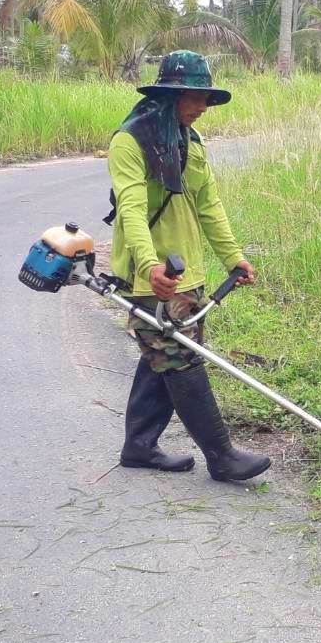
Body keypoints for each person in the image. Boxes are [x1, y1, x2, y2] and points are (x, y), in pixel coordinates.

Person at [107, 50, 270, 483]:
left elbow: (208, 204)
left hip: (188, 272)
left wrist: (233, 256)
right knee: (180, 360)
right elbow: (132, 210)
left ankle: (139, 446)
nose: (202, 108)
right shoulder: (130, 140)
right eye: (195, 98)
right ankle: (222, 457)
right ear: (171, 95)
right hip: (155, 277)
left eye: (206, 99)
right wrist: (149, 267)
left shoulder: (188, 141)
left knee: (160, 356)